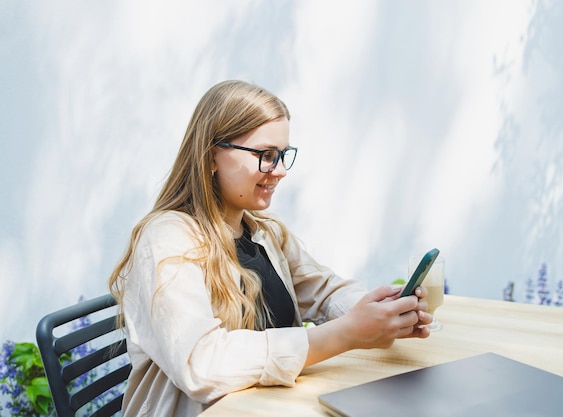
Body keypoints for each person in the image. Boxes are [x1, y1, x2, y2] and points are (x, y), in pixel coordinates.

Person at [108, 80, 432, 416]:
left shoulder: (265, 233)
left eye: (282, 156)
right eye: (265, 155)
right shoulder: (167, 240)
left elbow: (324, 291)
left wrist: (382, 312)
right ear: (212, 155)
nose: (278, 171)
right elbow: (201, 363)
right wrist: (346, 334)